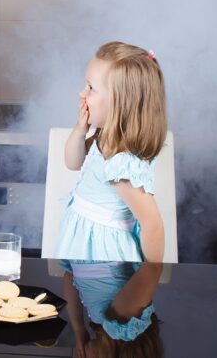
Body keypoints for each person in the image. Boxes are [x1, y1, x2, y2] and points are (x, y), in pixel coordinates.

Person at [55, 42, 167, 263]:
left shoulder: (122, 164)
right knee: (72, 285)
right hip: (80, 246)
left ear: (119, 103)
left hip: (103, 259)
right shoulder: (105, 137)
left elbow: (152, 225)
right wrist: (80, 130)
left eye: (90, 87)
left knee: (92, 288)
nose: (82, 93)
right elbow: (73, 162)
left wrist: (151, 274)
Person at [61, 258, 164, 358]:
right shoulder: (123, 327)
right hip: (104, 252)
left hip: (82, 254)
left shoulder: (102, 321)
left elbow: (69, 276)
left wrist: (79, 329)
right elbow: (153, 266)